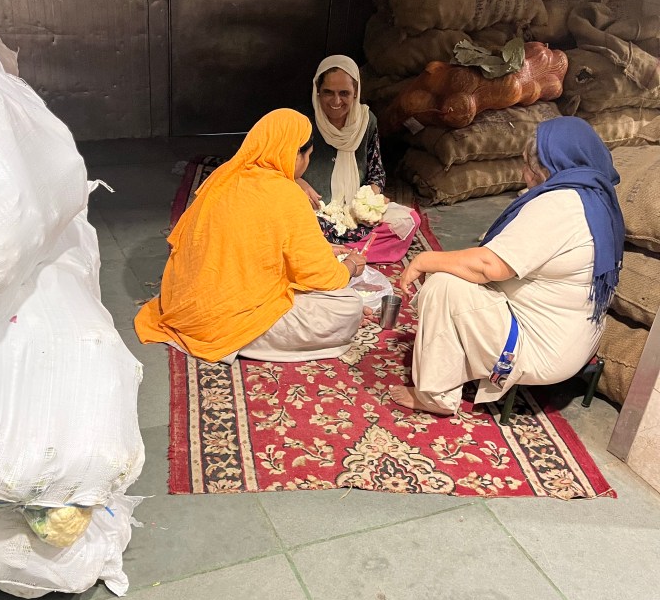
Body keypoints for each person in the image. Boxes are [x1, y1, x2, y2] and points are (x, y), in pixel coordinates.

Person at [391, 116, 625, 415]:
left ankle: (435, 397)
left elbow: (489, 266)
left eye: (527, 165)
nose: (524, 174)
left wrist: (425, 260)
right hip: (573, 340)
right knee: (457, 272)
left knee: (444, 284)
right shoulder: (595, 196)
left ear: (546, 168)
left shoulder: (560, 205)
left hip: (540, 347)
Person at [134, 108, 369, 364]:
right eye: (308, 155)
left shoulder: (223, 176)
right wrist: (350, 267)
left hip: (185, 307)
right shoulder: (287, 194)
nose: (307, 163)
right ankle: (240, 339)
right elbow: (321, 277)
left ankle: (230, 331)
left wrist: (322, 250)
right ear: (294, 154)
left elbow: (254, 246)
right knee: (347, 306)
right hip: (226, 318)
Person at [296, 55, 387, 245]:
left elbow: (377, 172)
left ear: (356, 92)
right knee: (300, 225)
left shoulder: (367, 121)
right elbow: (277, 168)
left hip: (354, 212)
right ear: (317, 91)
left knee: (407, 221)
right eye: (328, 92)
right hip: (314, 210)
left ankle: (334, 245)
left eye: (344, 93)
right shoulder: (302, 121)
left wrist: (370, 199)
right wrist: (297, 182)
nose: (336, 101)